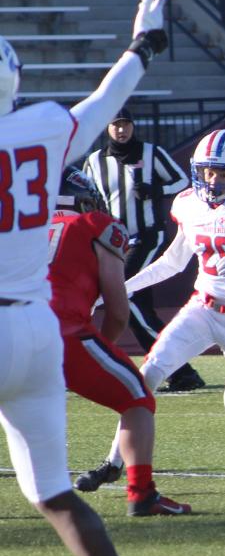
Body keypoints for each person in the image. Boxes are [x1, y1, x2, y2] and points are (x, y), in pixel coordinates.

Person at [0, 0, 168, 556]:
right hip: (37, 331)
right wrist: (144, 43)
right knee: (51, 490)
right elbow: (104, 104)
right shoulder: (41, 127)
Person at [115, 129, 225, 487]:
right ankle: (112, 463)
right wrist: (117, 290)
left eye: (224, 172)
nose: (214, 180)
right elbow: (170, 263)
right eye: (209, 171)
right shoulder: (189, 204)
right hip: (203, 307)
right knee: (147, 374)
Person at [54, 170, 189, 516]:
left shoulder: (15, 229)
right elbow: (117, 311)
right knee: (137, 399)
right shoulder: (94, 225)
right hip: (61, 333)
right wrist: (99, 351)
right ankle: (142, 493)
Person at [82, 108, 204, 393]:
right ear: (107, 128)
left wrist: (155, 190)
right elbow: (88, 195)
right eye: (115, 125)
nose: (121, 130)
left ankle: (179, 369)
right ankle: (180, 371)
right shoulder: (94, 161)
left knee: (125, 293)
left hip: (148, 236)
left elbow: (183, 181)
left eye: (125, 124)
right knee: (136, 305)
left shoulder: (151, 153)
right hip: (115, 241)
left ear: (133, 127)